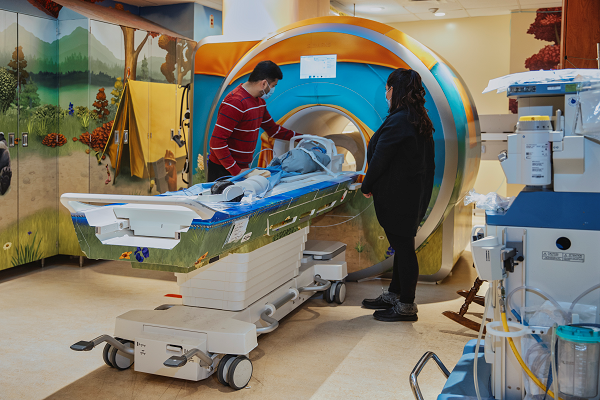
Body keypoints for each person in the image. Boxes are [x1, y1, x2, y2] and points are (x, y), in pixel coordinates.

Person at [361, 68, 436, 322]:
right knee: (402, 246)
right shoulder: (417, 118)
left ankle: (407, 305)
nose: (385, 92)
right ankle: (395, 294)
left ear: (394, 90)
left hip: (398, 196)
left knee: (404, 249)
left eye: (387, 88)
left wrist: (366, 185)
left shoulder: (399, 120)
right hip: (412, 194)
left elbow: (380, 158)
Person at [208, 60, 298, 181]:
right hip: (223, 168)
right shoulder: (235, 102)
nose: (273, 90)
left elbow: (274, 130)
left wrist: (304, 137)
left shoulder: (259, 102)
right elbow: (217, 142)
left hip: (242, 167)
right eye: (273, 86)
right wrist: (237, 171)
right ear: (264, 84)